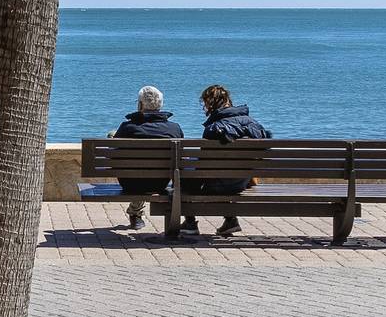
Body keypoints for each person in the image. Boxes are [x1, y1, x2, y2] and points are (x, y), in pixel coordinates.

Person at [182, 84, 272, 237]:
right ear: (228, 100)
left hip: (216, 184)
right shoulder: (254, 124)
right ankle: (230, 221)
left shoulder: (213, 128)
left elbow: (203, 166)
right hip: (240, 182)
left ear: (210, 104)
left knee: (181, 173)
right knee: (224, 173)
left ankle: (190, 222)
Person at [111, 86, 183, 229]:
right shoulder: (174, 129)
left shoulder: (127, 128)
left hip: (130, 183)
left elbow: (113, 156)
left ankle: (136, 212)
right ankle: (135, 212)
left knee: (111, 135)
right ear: (160, 105)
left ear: (140, 104)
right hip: (159, 183)